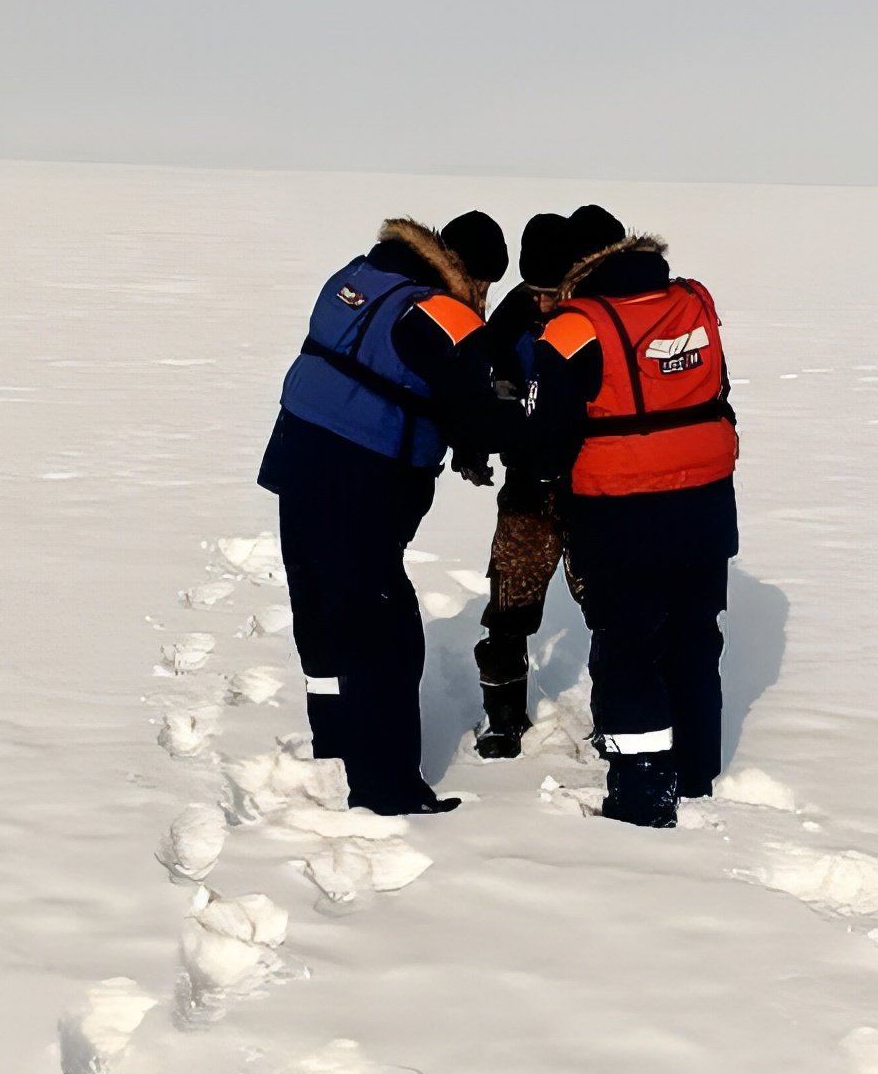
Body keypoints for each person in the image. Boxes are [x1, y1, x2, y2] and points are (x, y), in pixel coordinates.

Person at [259, 210, 511, 816]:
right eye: (485, 287)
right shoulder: (440, 312)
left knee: (318, 603)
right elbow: (479, 401)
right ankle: (387, 787)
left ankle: (336, 742)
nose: (482, 300)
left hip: (297, 452)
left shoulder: (361, 275)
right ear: (472, 275)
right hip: (362, 476)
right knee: (382, 628)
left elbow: (387, 363)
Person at [519, 215, 738, 828]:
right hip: (708, 501)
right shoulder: (693, 301)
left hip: (621, 512)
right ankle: (695, 772)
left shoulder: (573, 328)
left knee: (629, 651)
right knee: (696, 638)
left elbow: (544, 439)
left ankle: (642, 797)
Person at [473, 210, 589, 757]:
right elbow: (479, 387)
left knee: (608, 603)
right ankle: (503, 718)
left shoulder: (593, 318)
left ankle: (620, 715)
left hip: (590, 485)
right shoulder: (508, 320)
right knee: (509, 604)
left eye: (554, 291)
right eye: (535, 290)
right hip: (526, 482)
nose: (545, 303)